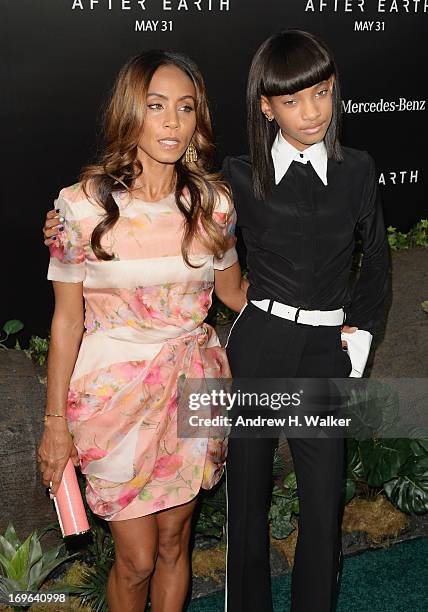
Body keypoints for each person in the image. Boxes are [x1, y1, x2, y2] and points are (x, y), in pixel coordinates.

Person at [37, 50, 247, 612]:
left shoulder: (213, 205)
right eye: (157, 107)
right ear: (131, 112)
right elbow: (66, 320)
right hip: (112, 398)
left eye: (185, 108)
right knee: (136, 560)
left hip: (193, 389)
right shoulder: (78, 210)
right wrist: (54, 424)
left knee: (176, 544)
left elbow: (234, 296)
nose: (173, 123)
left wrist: (319, 309)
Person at [221, 30, 390, 612]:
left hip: (326, 350)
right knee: (248, 500)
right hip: (261, 344)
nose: (311, 111)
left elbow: (377, 271)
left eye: (320, 93)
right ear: (265, 106)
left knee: (322, 502)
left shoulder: (358, 169)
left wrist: (357, 342)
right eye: (292, 100)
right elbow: (182, 227)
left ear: (333, 90)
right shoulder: (239, 175)